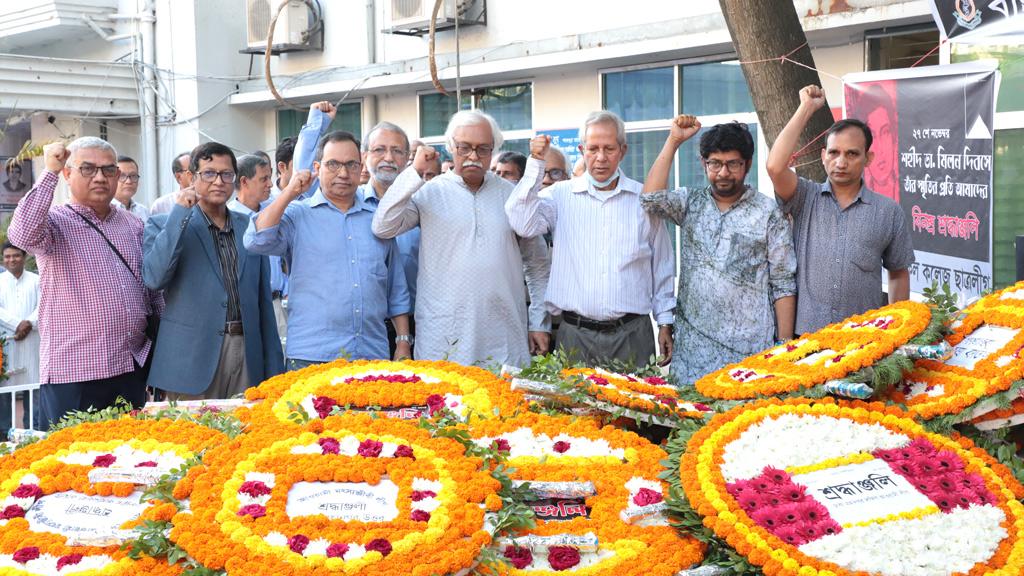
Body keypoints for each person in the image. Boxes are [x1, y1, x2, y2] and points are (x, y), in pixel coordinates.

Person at [373, 110, 550, 367]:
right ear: (450, 147)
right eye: (464, 148)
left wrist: (538, 322)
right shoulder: (430, 192)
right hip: (444, 335)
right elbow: (383, 225)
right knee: (446, 403)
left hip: (503, 335)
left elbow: (537, 265)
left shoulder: (511, 195)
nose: (473, 157)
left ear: (494, 150)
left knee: (506, 406)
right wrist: (414, 171)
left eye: (483, 149)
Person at [8, 138, 162, 428]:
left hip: (130, 367)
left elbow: (152, 290)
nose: (100, 177)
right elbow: (22, 235)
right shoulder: (53, 222)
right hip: (76, 371)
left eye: (108, 170)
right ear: (68, 174)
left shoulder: (133, 224)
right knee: (74, 465)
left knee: (132, 459)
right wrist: (49, 170)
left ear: (118, 175)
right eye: (88, 169)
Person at [506, 110, 673, 368]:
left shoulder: (643, 199)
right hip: (575, 336)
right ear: (582, 150)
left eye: (609, 148)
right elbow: (521, 222)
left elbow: (661, 265)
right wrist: (536, 163)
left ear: (623, 150)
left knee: (635, 406)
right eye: (593, 149)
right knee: (573, 409)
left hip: (632, 334)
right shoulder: (560, 196)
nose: (601, 158)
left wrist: (665, 322)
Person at [641, 116, 797, 385]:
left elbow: (783, 283)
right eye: (715, 163)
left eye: (732, 164)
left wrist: (784, 346)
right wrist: (674, 140)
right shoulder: (690, 202)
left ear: (747, 164)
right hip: (693, 354)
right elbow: (650, 199)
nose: (723, 173)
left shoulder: (767, 211)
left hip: (749, 355)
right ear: (704, 164)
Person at [246, 131, 412, 369]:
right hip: (312, 355)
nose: (343, 173)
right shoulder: (298, 215)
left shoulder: (377, 220)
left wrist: (403, 342)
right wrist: (290, 192)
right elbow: (255, 240)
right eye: (333, 164)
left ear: (361, 166)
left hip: (371, 353)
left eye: (351, 165)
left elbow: (396, 289)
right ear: (317, 167)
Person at [767, 85, 914, 335]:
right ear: (823, 156)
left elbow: (898, 273)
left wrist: (896, 333)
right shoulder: (805, 197)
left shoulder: (888, 212)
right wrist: (806, 108)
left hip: (864, 341)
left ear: (868, 158)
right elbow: (775, 167)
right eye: (834, 153)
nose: (841, 162)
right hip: (807, 342)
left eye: (852, 154)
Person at [144, 142, 283, 399]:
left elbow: (263, 303)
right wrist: (180, 214)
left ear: (234, 180)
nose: (218, 181)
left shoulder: (250, 228)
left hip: (247, 353)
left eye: (226, 174)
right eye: (209, 174)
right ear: (191, 178)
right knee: (192, 436)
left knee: (246, 434)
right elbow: (154, 277)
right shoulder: (165, 223)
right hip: (190, 359)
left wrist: (274, 370)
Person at [358, 121, 422, 357]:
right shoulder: (350, 204)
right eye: (379, 150)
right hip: (367, 326)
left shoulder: (423, 201)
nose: (388, 157)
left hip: (417, 322)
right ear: (365, 156)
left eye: (397, 151)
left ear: (407, 157)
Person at [0, 242, 40, 433]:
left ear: (24, 257)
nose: (11, 260)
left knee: (35, 388)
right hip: (8, 343)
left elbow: (44, 306)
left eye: (16, 255)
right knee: (5, 391)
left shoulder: (37, 280)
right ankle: (4, 433)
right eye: (7, 257)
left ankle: (36, 429)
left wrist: (29, 323)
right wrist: (17, 323)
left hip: (33, 343)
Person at [110, 155, 149, 222]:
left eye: (133, 176)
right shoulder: (104, 212)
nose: (129, 181)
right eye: (122, 176)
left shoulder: (143, 211)